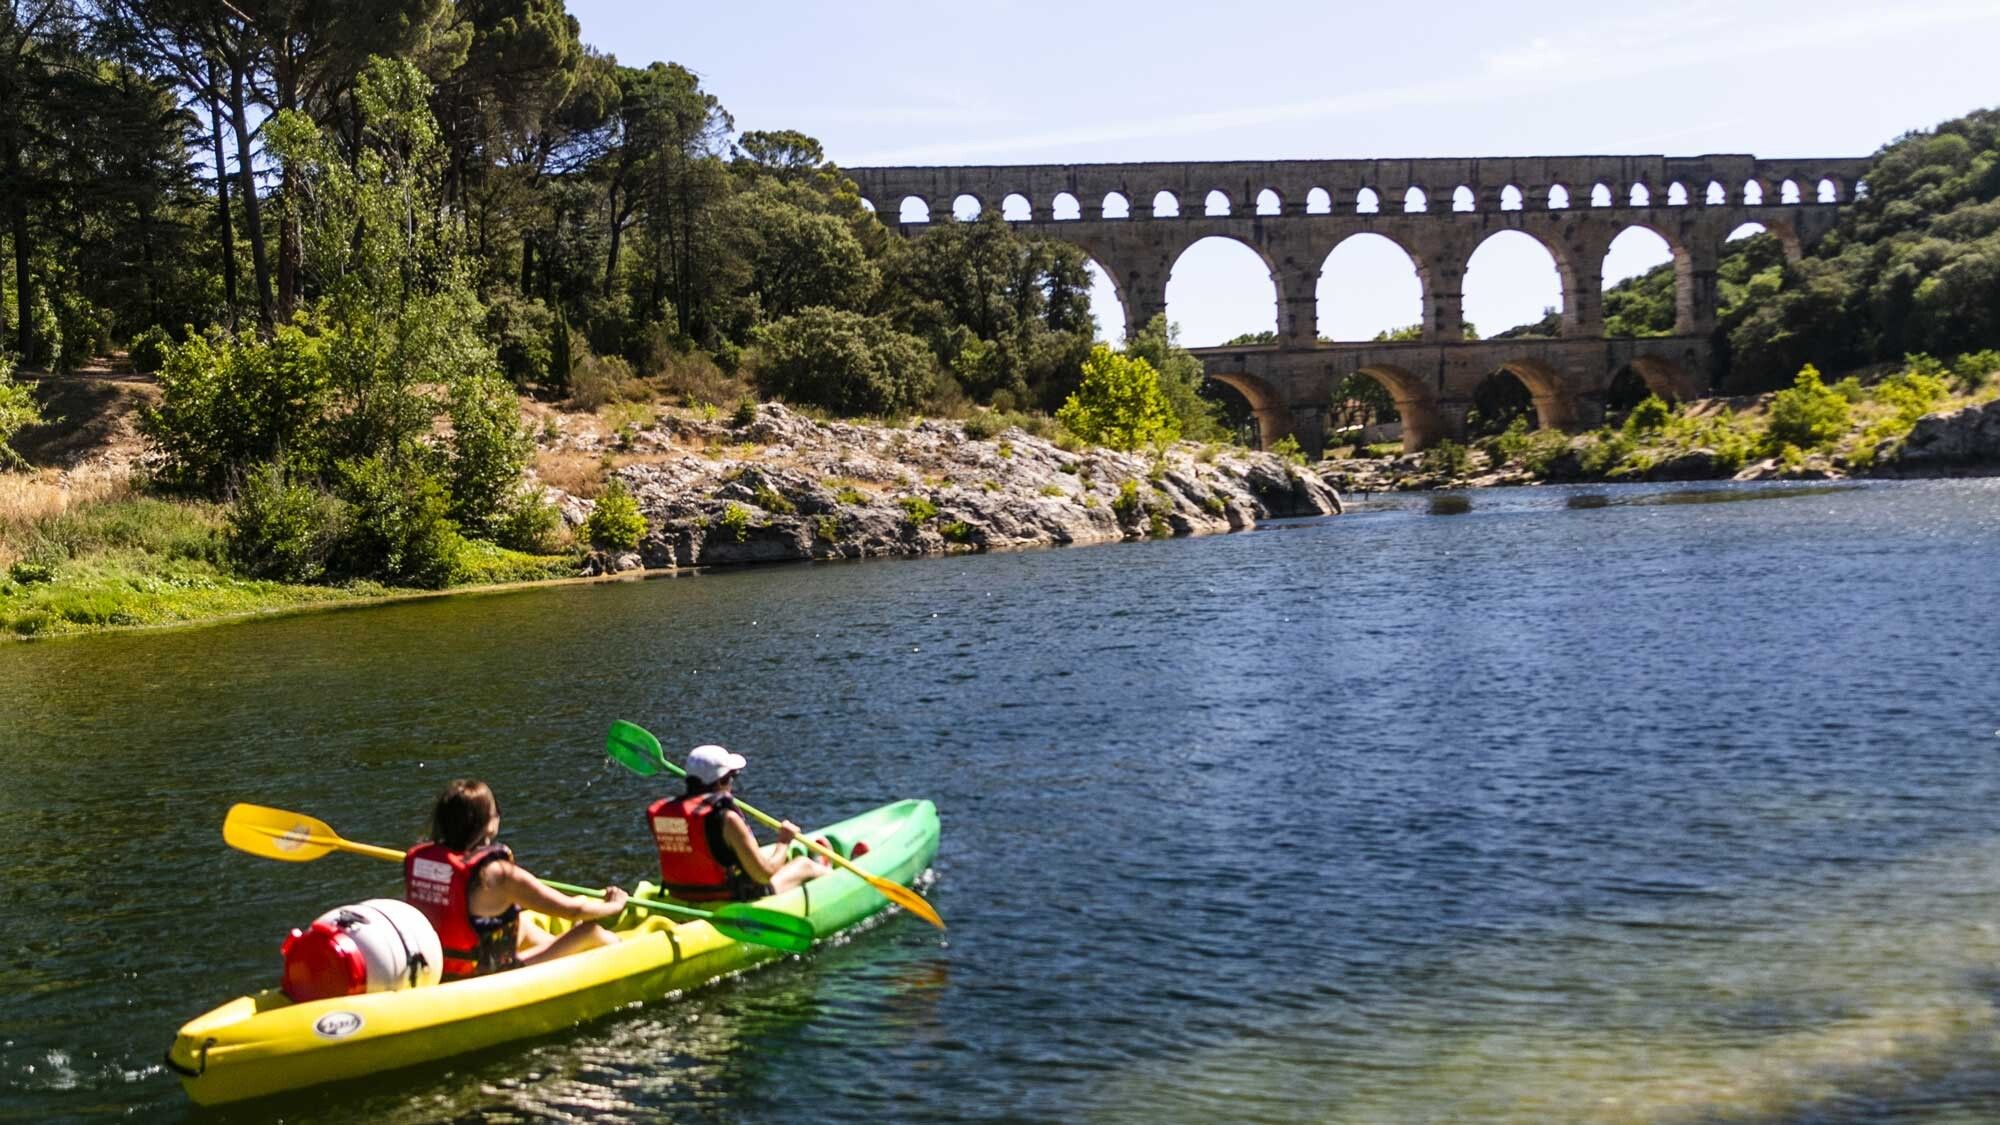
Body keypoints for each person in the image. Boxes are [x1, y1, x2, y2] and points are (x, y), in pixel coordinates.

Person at [404, 779, 627, 979]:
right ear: (488, 823)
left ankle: (564, 951)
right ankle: (629, 958)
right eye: (496, 812)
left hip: (438, 966)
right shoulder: (500, 874)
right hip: (485, 976)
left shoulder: (419, 860)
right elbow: (573, 911)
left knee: (523, 925)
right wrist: (614, 905)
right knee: (589, 931)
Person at [647, 744, 829, 902]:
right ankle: (831, 875)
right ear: (723, 780)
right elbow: (764, 875)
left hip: (680, 893)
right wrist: (784, 841)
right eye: (733, 776)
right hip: (730, 896)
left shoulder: (662, 813)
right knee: (804, 864)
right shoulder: (726, 819)